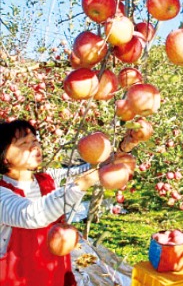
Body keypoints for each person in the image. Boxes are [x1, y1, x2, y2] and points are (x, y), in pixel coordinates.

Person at [0, 119, 135, 286]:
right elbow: (30, 215)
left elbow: (91, 170)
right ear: (4, 156)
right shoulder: (2, 195)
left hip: (53, 271)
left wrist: (123, 148)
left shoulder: (47, 178)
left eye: (35, 140)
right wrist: (82, 184)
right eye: (24, 143)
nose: (34, 146)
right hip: (19, 278)